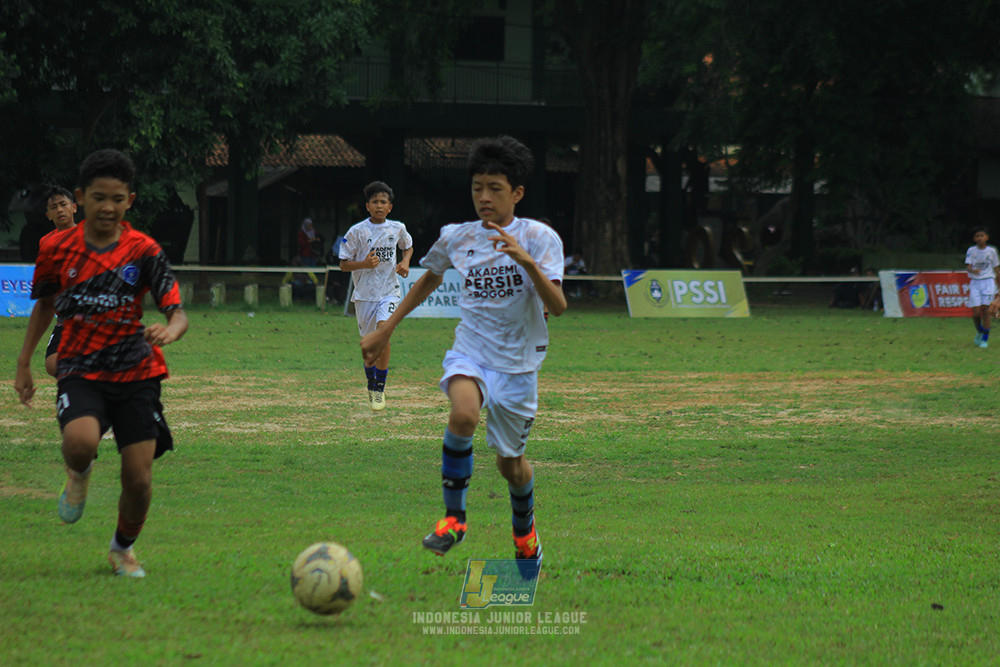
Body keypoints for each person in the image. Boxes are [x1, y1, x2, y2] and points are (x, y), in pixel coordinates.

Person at [360, 136, 566, 567]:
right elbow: (428, 278)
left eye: (494, 188)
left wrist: (526, 262)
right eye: (477, 187)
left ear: (517, 193)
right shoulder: (457, 237)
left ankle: (525, 531)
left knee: (512, 467)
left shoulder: (540, 238)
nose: (484, 197)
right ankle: (454, 519)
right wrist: (386, 330)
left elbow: (558, 306)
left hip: (519, 365)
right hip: (470, 351)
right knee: (463, 414)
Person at [14, 149, 189, 578]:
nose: (107, 207)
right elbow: (45, 304)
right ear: (81, 198)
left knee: (139, 478)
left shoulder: (144, 250)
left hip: (136, 370)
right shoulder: (57, 249)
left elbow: (177, 312)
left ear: (129, 199)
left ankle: (121, 548)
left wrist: (170, 329)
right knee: (79, 443)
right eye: (98, 197)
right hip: (79, 364)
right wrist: (24, 362)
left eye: (116, 198)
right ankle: (80, 471)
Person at [339, 181, 413, 411]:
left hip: (389, 293)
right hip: (364, 296)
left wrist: (405, 261)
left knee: (384, 333)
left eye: (383, 202)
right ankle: (371, 381)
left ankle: (379, 387)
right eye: (375, 202)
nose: (379, 206)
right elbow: (343, 265)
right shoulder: (357, 231)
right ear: (367, 206)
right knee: (369, 349)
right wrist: (363, 263)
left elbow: (407, 246)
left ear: (390, 207)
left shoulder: (398, 228)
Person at [38, 185, 78, 377]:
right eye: (54, 207)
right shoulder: (46, 242)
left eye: (64, 204)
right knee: (53, 364)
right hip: (65, 318)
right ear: (48, 215)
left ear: (74, 207)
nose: (60, 210)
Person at [965, 225, 999, 348]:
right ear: (974, 239)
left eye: (982, 236)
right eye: (977, 236)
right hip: (975, 282)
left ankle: (985, 339)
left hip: (988, 282)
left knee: (987, 311)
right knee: (975, 313)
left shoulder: (992, 251)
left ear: (987, 237)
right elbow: (968, 266)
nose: (980, 238)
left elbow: (996, 269)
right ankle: (979, 330)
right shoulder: (971, 251)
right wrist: (973, 270)